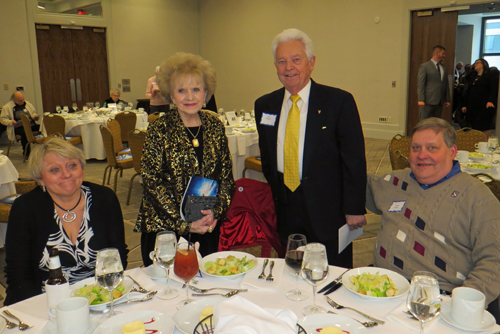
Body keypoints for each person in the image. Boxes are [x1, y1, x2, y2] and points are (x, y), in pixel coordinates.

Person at [255, 28, 367, 268]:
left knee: (332, 273)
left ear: (311, 63)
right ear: (275, 66)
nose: (289, 68)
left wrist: (354, 207)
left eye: (296, 60)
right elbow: (267, 157)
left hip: (328, 209)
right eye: (282, 61)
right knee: (292, 270)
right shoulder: (264, 105)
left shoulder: (338, 102)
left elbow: (354, 160)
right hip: (286, 206)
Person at [365, 118, 500, 314]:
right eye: (416, 147)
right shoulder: (394, 181)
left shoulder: (477, 197)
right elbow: (354, 184)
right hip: (383, 293)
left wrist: (463, 305)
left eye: (432, 148)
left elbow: (494, 259)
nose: (422, 155)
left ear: (452, 152)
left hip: (442, 301)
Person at [134, 52, 235, 266]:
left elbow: (226, 178)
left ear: (206, 92)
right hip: (166, 229)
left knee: (204, 283)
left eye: (196, 89)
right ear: (171, 95)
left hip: (206, 225)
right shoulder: (159, 128)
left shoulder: (215, 125)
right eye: (181, 90)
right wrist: (184, 223)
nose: (190, 97)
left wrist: (215, 213)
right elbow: (152, 182)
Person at [4, 137, 128, 305]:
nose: (66, 174)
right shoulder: (26, 208)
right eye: (54, 170)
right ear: (40, 179)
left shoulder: (104, 198)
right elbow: (18, 274)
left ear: (81, 168)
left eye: (72, 165)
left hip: (100, 296)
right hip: (45, 300)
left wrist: (101, 299)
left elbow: (118, 255)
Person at [462, 59, 499, 138]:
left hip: (485, 105)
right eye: (475, 63)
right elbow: (468, 91)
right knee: (474, 126)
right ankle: (477, 143)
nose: (475, 64)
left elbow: (494, 89)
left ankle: (485, 144)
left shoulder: (490, 76)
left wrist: (491, 101)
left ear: (484, 64)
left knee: (484, 126)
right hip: (473, 105)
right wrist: (464, 105)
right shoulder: (473, 77)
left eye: (477, 63)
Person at [0, 91, 41, 156]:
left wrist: (35, 116)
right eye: (20, 100)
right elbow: (2, 120)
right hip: (18, 127)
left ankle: (42, 148)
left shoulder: (27, 104)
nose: (22, 102)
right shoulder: (7, 107)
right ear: (14, 100)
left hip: (30, 124)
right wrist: (11, 122)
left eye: (23, 99)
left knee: (42, 128)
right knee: (25, 132)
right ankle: (27, 152)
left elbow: (33, 113)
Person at [417, 45, 451, 120]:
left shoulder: (444, 67)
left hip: (440, 101)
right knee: (424, 122)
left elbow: (446, 84)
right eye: (443, 53)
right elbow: (420, 84)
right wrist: (421, 99)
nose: (444, 56)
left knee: (436, 123)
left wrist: (447, 99)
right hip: (427, 100)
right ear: (437, 53)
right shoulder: (425, 66)